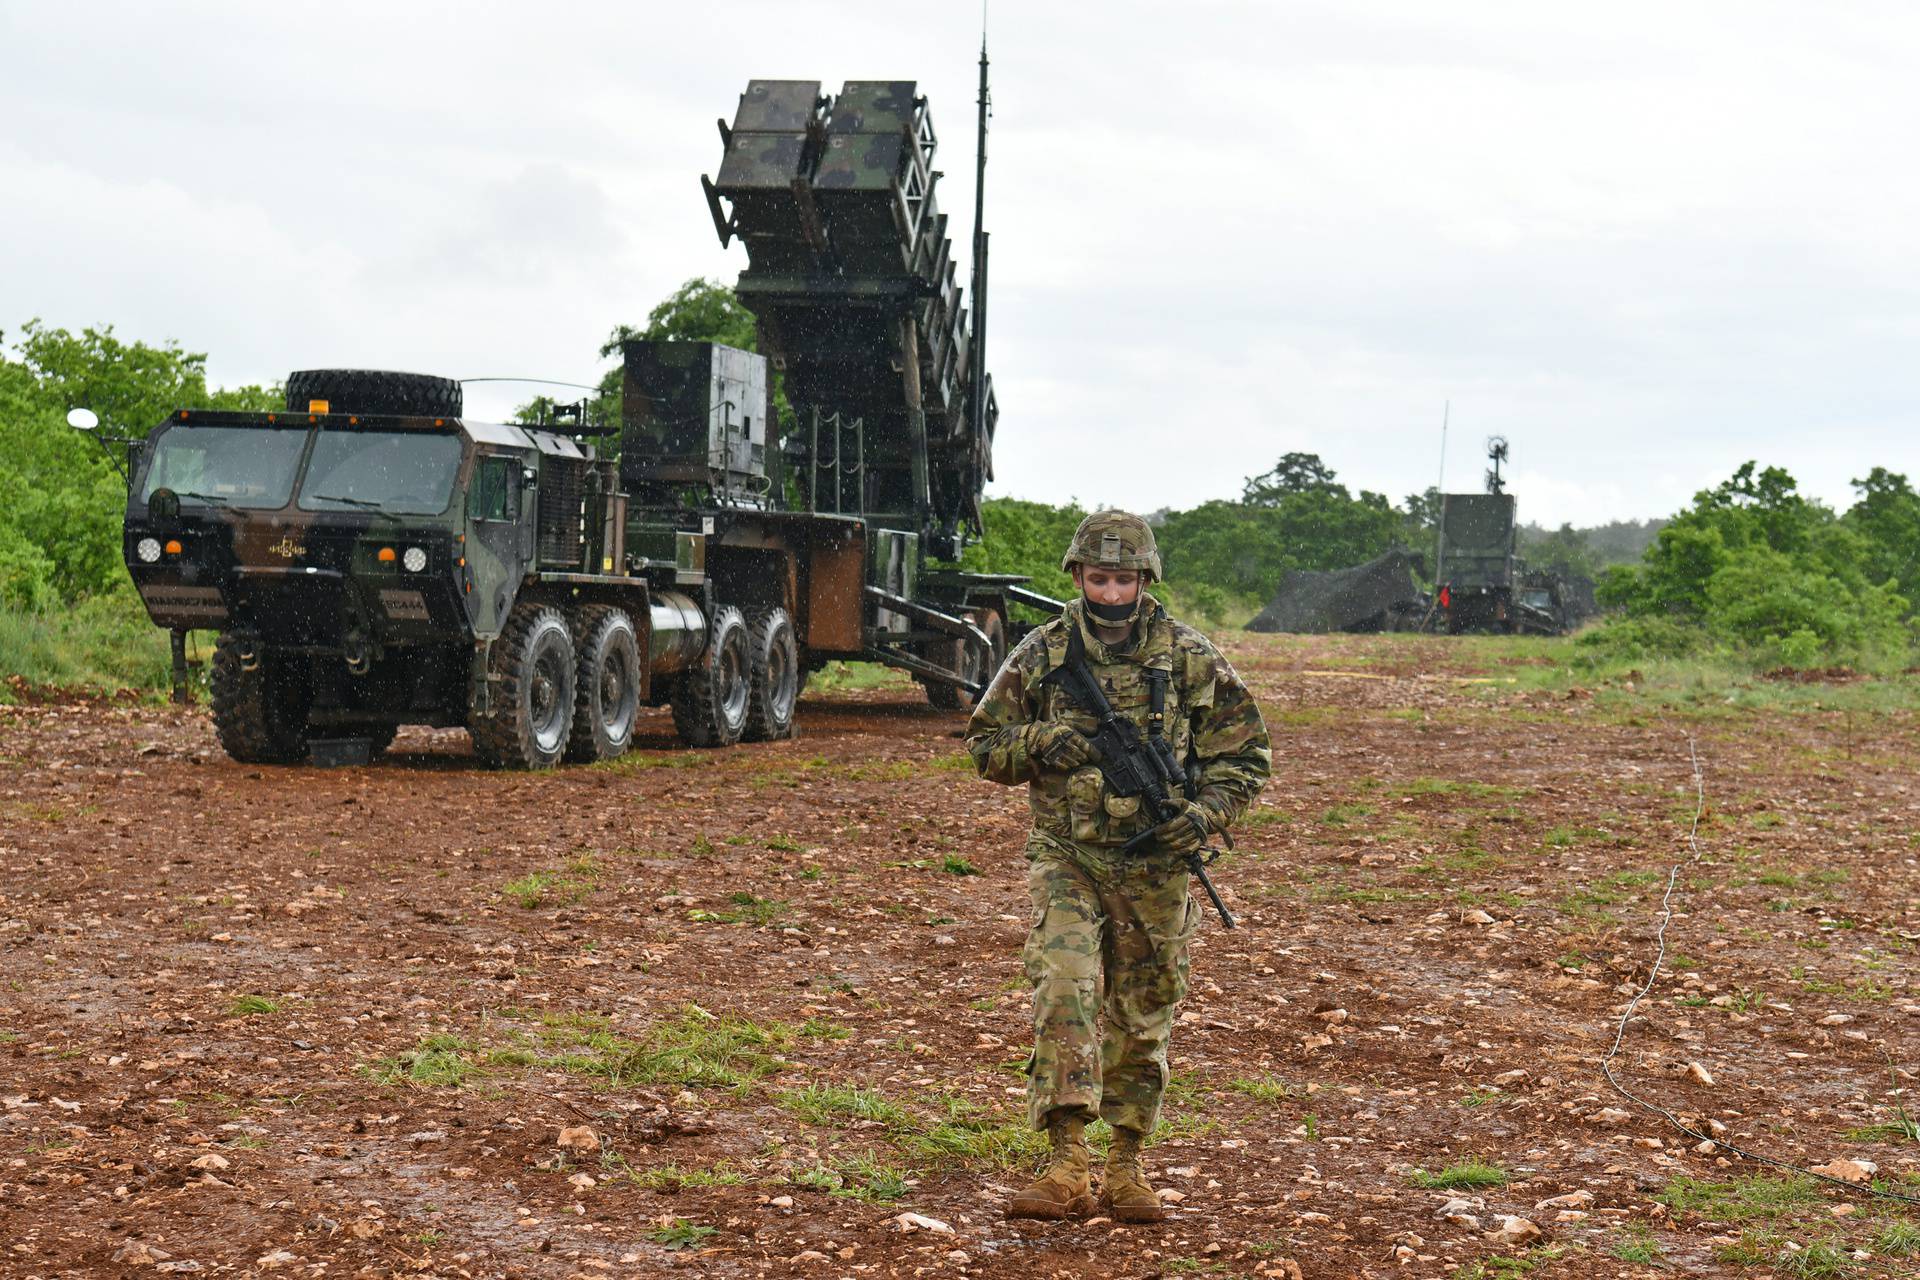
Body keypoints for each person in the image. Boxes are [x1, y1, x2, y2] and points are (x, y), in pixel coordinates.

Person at [965, 510, 1271, 1222]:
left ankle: (1126, 1164)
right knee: (1064, 991)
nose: (1110, 594)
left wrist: (1205, 813)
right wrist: (1043, 741)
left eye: (1123, 579)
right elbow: (985, 747)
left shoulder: (1190, 657)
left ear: (1145, 579)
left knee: (1144, 1011)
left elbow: (1246, 756)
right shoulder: (1042, 654)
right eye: (1098, 578)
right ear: (1077, 576)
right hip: (1067, 855)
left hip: (1157, 866)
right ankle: (1066, 1161)